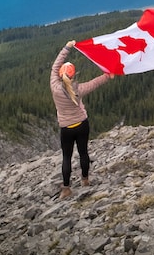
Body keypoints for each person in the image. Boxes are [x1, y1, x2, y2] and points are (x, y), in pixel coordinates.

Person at [49, 40, 114, 199]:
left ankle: (66, 188)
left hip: (66, 128)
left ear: (60, 75)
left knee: (66, 157)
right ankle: (85, 180)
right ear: (73, 75)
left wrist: (66, 47)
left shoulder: (54, 87)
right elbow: (95, 83)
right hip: (82, 125)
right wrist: (108, 76)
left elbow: (55, 66)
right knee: (83, 153)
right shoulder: (79, 90)